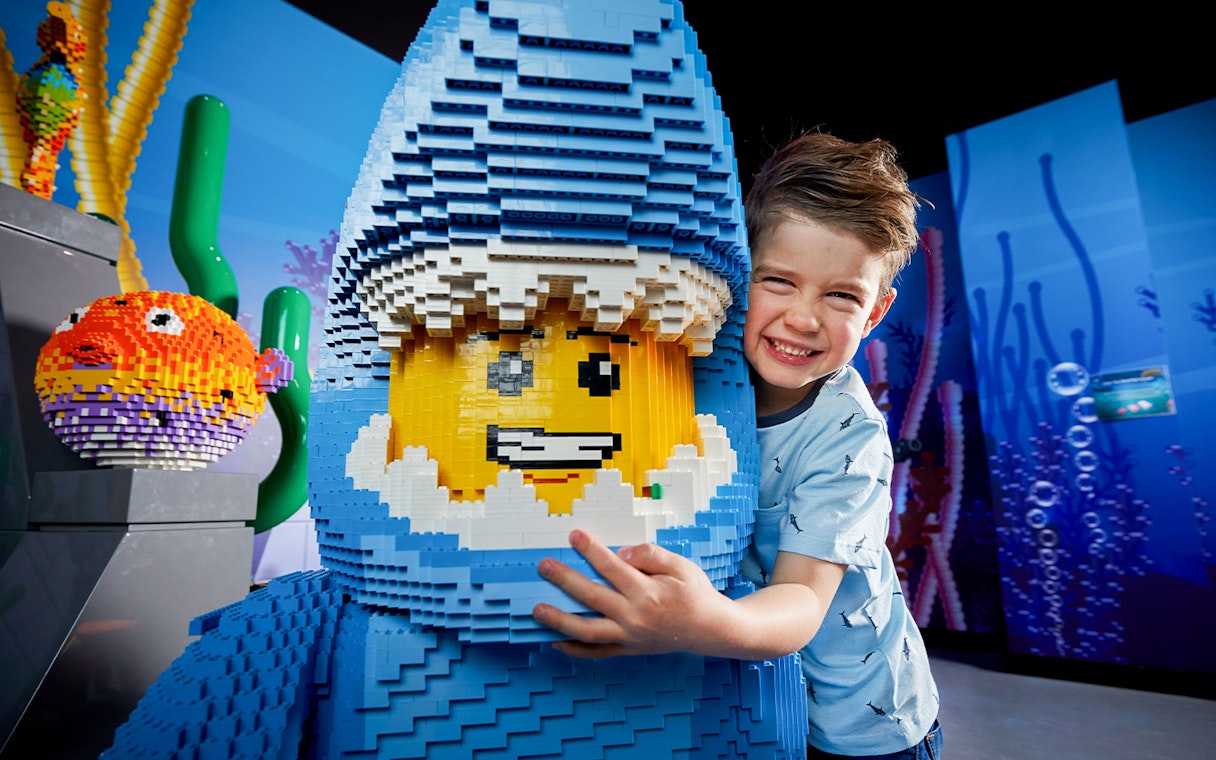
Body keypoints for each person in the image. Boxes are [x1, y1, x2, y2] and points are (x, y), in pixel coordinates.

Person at [532, 131, 943, 759]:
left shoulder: (849, 435)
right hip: (751, 701)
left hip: (862, 722)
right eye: (779, 281)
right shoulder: (698, 367)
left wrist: (697, 622)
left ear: (877, 312)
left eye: (841, 296)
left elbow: (802, 599)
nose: (804, 319)